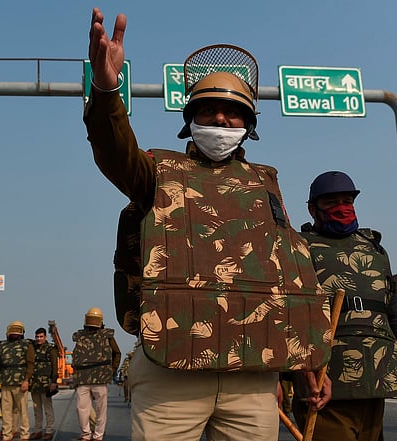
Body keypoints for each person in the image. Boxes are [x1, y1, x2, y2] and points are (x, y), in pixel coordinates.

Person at [86, 8, 331, 440]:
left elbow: (289, 278)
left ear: (249, 125)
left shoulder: (266, 184)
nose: (221, 120)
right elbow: (113, 150)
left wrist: (307, 363)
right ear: (190, 120)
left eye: (233, 113)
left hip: (252, 377)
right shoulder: (157, 172)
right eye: (210, 110)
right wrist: (107, 90)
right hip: (171, 372)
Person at [293, 171, 397, 440]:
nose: (341, 208)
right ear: (312, 208)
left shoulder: (374, 250)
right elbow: (289, 317)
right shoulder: (298, 247)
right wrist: (295, 375)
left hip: (376, 378)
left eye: (347, 201)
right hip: (324, 379)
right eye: (331, 202)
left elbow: (393, 318)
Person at [71, 307, 121, 441]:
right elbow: (76, 356)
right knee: (81, 409)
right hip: (83, 377)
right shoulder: (80, 336)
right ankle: (86, 434)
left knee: (100, 409)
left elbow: (117, 353)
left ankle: (98, 435)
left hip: (100, 377)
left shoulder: (107, 335)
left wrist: (112, 370)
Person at [0, 321, 35, 441]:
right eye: (13, 330)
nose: (15, 333)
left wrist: (27, 380)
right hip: (6, 383)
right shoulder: (3, 346)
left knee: (23, 411)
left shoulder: (27, 345)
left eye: (17, 331)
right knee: (6, 412)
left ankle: (25, 434)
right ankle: (7, 435)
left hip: (20, 383)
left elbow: (30, 364)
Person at [29, 327, 59, 441]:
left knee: (47, 408)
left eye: (41, 337)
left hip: (46, 383)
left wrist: (54, 381)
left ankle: (49, 431)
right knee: (36, 409)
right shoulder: (32, 348)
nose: (39, 339)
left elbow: (55, 366)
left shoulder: (50, 349)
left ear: (45, 337)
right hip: (35, 384)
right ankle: (38, 430)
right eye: (37, 337)